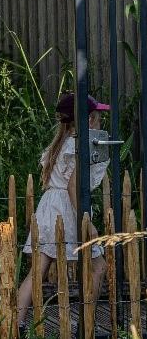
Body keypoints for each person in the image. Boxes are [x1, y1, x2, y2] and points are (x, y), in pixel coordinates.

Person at [16, 93, 109, 333]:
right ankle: (84, 325)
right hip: (68, 207)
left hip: (48, 207)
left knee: (37, 270)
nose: (100, 122)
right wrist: (86, 220)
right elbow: (73, 186)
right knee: (99, 267)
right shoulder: (78, 145)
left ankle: (15, 324)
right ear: (89, 120)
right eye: (98, 117)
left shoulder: (60, 142)